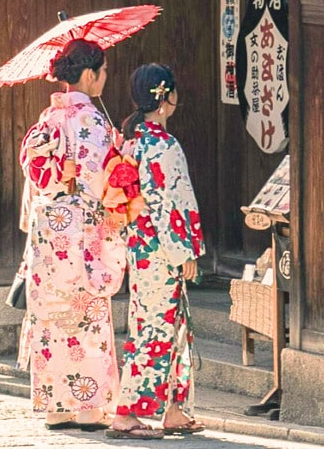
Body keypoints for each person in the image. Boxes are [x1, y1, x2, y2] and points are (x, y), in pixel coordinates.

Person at [17, 39, 127, 431]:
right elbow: (101, 180)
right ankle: (88, 407)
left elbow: (35, 172)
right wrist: (120, 153)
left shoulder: (47, 119)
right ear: (88, 74)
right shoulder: (92, 121)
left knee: (50, 318)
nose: (105, 77)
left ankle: (55, 406)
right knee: (86, 317)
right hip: (82, 232)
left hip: (49, 233)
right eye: (103, 70)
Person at [107, 63, 206, 439]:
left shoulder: (129, 140)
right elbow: (172, 202)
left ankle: (174, 408)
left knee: (168, 323)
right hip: (161, 247)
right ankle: (128, 412)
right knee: (154, 328)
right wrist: (187, 252)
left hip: (140, 243)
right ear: (165, 97)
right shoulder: (161, 144)